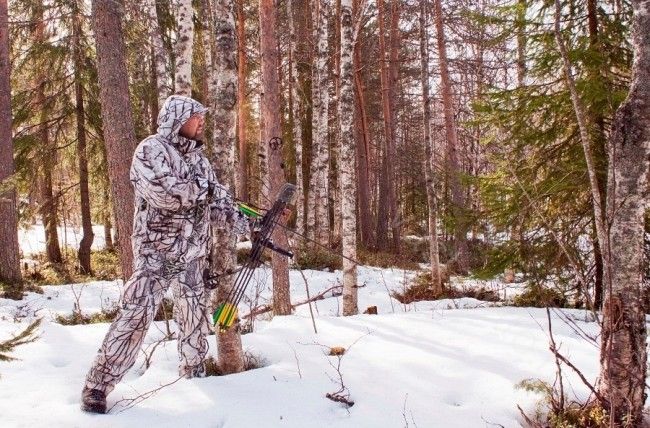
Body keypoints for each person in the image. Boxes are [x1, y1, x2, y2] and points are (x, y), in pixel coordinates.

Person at [81, 95, 248, 414]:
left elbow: (218, 204)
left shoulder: (199, 159)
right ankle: (98, 385)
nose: (201, 122)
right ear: (177, 119)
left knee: (195, 315)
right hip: (156, 254)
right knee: (137, 313)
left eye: (202, 117)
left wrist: (250, 220)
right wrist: (206, 191)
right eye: (195, 117)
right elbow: (167, 194)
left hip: (192, 254)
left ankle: (194, 373)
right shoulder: (151, 150)